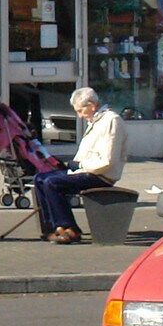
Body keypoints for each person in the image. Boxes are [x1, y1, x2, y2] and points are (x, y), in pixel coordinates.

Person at [35, 87, 126, 243]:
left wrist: (78, 166)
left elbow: (108, 160)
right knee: (39, 178)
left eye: (80, 111)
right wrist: (70, 165)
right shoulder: (96, 121)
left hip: (101, 175)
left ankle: (70, 227)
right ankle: (52, 227)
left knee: (53, 183)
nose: (79, 116)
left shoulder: (111, 120)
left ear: (91, 105)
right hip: (87, 170)